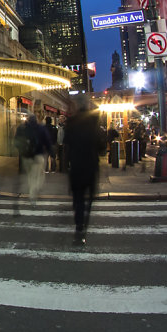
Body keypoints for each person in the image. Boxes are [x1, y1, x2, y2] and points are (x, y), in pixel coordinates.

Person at [64, 102, 106, 245]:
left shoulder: (71, 124)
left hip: (76, 167)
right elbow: (102, 148)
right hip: (90, 167)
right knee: (89, 201)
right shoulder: (95, 126)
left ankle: (79, 226)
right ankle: (83, 228)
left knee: (78, 199)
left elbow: (66, 146)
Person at [14, 114, 51, 207]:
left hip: (26, 157)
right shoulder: (41, 128)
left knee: (31, 175)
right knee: (36, 176)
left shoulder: (21, 128)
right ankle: (33, 196)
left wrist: (21, 150)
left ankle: (33, 189)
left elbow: (16, 141)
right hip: (37, 156)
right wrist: (51, 152)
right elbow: (47, 141)